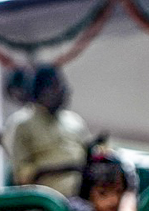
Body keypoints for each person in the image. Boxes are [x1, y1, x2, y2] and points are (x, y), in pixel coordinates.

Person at [7, 66, 91, 199]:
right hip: (46, 204)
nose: (60, 92)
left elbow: (91, 154)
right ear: (39, 91)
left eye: (61, 87)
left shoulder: (74, 121)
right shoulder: (22, 124)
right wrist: (67, 167)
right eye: (54, 87)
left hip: (83, 199)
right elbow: (22, 177)